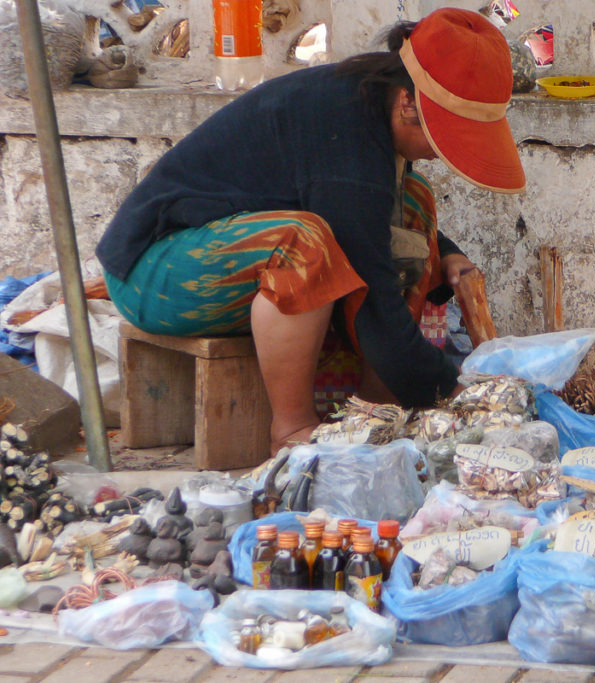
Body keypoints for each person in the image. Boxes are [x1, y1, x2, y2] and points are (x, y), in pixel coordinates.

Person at [95, 7, 526, 454]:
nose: (443, 154)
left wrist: (446, 251)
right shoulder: (347, 141)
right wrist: (455, 394)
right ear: (407, 103)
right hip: (152, 273)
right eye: (447, 137)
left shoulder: (370, 109)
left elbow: (372, 220)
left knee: (414, 198)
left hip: (221, 254)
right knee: (303, 244)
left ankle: (376, 406)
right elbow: (374, 298)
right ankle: (292, 428)